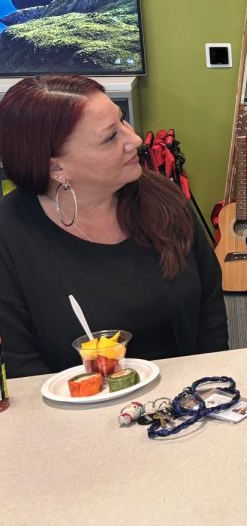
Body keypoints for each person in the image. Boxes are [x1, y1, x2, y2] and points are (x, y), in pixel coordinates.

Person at [0, 75, 228, 377]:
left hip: (182, 403)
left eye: (123, 121)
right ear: (55, 166)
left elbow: (209, 312)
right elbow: (19, 370)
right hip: (71, 413)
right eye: (110, 137)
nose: (134, 140)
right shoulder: (10, 237)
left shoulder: (163, 199)